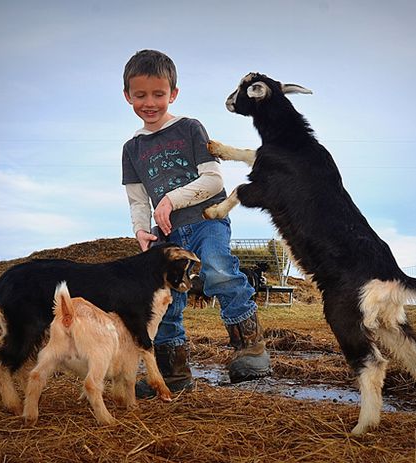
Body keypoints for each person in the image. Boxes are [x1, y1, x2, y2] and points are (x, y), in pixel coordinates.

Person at [121, 49, 270, 395]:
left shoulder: (189, 128)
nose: (150, 102)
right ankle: (174, 373)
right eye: (140, 95)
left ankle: (251, 348)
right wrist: (141, 230)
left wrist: (172, 199)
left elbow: (214, 181)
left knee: (218, 270)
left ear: (173, 93)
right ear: (127, 95)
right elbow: (138, 199)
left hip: (205, 221)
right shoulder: (131, 148)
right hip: (167, 237)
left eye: (158, 94)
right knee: (166, 299)